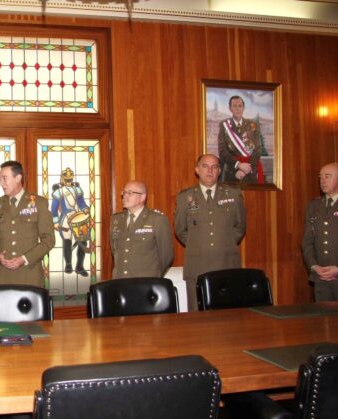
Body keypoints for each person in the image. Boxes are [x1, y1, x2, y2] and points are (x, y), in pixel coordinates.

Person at [174, 154, 247, 311]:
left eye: (214, 167)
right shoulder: (185, 197)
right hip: (197, 265)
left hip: (227, 263)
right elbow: (180, 230)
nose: (210, 171)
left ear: (219, 171)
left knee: (228, 314)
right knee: (197, 314)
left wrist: (224, 243)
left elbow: (240, 227)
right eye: (205, 166)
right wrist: (200, 244)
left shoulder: (233, 194)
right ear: (197, 170)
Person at [0, 161, 55, 287]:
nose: (1, 183)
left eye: (4, 178)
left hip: (30, 277)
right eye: (0, 179)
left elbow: (48, 240)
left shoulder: (39, 203)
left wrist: (24, 259)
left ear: (18, 178)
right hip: (2, 277)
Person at [302, 162, 338, 301]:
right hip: (321, 278)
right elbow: (307, 241)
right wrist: (314, 266)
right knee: (322, 314)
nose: (322, 180)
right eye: (320, 177)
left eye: (327, 176)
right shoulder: (314, 205)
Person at [110, 181, 173, 278]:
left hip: (145, 281)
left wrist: (154, 275)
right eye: (124, 192)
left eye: (130, 193)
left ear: (142, 197)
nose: (125, 196)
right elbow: (114, 250)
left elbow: (166, 256)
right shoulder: (116, 219)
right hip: (120, 280)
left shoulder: (157, 219)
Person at [51, 167, 90, 277]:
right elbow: (53, 209)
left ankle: (79, 266)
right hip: (65, 218)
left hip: (78, 216)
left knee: (83, 242)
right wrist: (55, 222)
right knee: (67, 241)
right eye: (67, 179)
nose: (69, 181)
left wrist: (85, 208)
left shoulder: (77, 189)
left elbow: (81, 202)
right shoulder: (59, 192)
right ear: (62, 179)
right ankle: (68, 264)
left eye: (70, 179)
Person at [217, 95, 263, 183]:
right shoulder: (224, 125)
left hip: (250, 169)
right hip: (231, 170)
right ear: (230, 108)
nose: (237, 108)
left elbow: (258, 149)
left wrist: (246, 169)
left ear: (243, 108)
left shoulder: (253, 125)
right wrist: (238, 165)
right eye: (234, 106)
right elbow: (222, 151)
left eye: (240, 106)